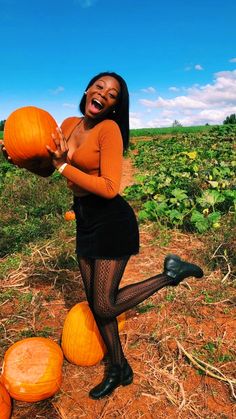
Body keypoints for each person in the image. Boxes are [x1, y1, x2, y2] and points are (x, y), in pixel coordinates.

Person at [2, 72, 204, 399]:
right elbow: (48, 167)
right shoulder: (68, 124)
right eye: (100, 87)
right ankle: (119, 367)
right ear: (87, 90)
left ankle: (170, 274)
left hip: (111, 219)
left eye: (112, 95)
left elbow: (110, 188)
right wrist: (18, 160)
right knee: (99, 306)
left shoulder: (109, 131)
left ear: (114, 106)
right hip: (85, 217)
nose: (104, 94)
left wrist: (65, 168)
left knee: (105, 306)